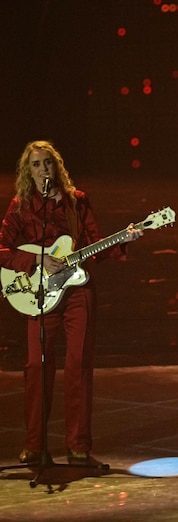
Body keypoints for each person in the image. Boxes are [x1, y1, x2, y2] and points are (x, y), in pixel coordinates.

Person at [0, 140, 142, 467]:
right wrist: (36, 263)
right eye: (36, 165)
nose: (43, 170)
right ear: (27, 171)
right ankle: (34, 445)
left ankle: (78, 448)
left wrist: (123, 240)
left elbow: (93, 244)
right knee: (37, 367)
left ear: (56, 165)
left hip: (78, 293)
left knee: (78, 366)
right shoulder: (20, 206)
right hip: (38, 294)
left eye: (47, 163)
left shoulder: (76, 202)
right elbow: (2, 250)